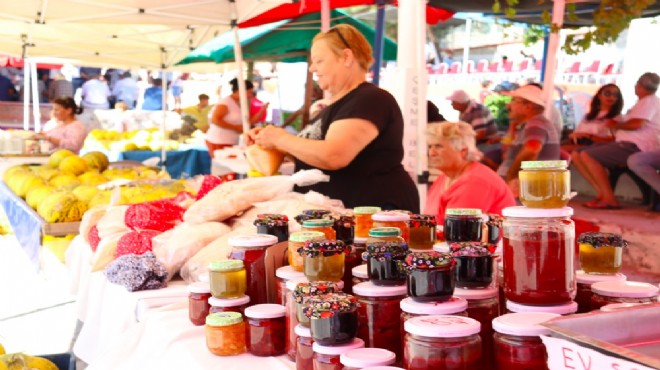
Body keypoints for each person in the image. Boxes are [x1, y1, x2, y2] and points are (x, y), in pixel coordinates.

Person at [247, 24, 420, 212]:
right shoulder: (340, 104)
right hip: (339, 219)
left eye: (319, 61)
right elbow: (316, 152)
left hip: (372, 218)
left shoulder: (369, 99)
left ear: (346, 57)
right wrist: (275, 144)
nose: (312, 68)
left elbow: (334, 155)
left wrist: (280, 138)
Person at [573, 72, 660, 209]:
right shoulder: (645, 102)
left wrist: (615, 125)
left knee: (587, 155)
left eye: (614, 94)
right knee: (578, 153)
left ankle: (608, 198)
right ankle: (602, 194)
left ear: (639, 86)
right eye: (607, 93)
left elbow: (638, 124)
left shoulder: (648, 101)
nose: (611, 97)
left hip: (635, 145)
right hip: (627, 144)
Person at [424, 122, 515, 220]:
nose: (431, 153)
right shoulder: (445, 176)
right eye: (430, 147)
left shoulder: (476, 181)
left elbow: (459, 231)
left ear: (463, 151)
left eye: (438, 146)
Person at [498, 84, 560, 195]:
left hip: (524, 193)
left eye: (513, 101)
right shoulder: (531, 124)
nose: (508, 105)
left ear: (528, 106)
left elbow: (532, 148)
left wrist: (512, 177)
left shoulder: (536, 123)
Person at [207, 78, 267, 155]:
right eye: (249, 92)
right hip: (219, 140)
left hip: (230, 141)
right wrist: (236, 128)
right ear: (240, 90)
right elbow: (215, 120)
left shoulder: (239, 103)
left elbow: (248, 122)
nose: (250, 95)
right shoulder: (225, 102)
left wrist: (262, 110)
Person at [561, 84, 622, 153]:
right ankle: (553, 163)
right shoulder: (589, 116)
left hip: (595, 147)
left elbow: (614, 140)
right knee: (552, 151)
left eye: (615, 95)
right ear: (599, 96)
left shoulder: (617, 118)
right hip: (577, 143)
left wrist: (588, 136)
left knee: (559, 151)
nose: (611, 97)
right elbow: (577, 133)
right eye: (607, 93)